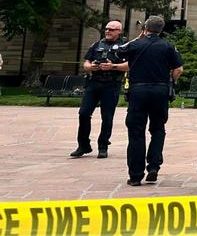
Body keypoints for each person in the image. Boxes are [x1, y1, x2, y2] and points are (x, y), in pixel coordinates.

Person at [115, 16, 183, 186]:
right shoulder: (168, 46)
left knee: (136, 132)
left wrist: (139, 36)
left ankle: (135, 175)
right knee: (158, 129)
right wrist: (171, 82)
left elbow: (118, 51)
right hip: (160, 91)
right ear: (161, 30)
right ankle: (153, 166)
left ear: (145, 28)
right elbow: (178, 69)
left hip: (138, 91)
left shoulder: (135, 45)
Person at [71, 21, 129, 158]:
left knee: (107, 117)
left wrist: (113, 66)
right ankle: (83, 145)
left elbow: (129, 65)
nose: (108, 31)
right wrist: (90, 67)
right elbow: (86, 62)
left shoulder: (125, 47)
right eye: (107, 29)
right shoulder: (97, 45)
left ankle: (103, 145)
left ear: (119, 31)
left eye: (112, 29)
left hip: (111, 84)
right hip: (94, 83)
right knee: (84, 113)